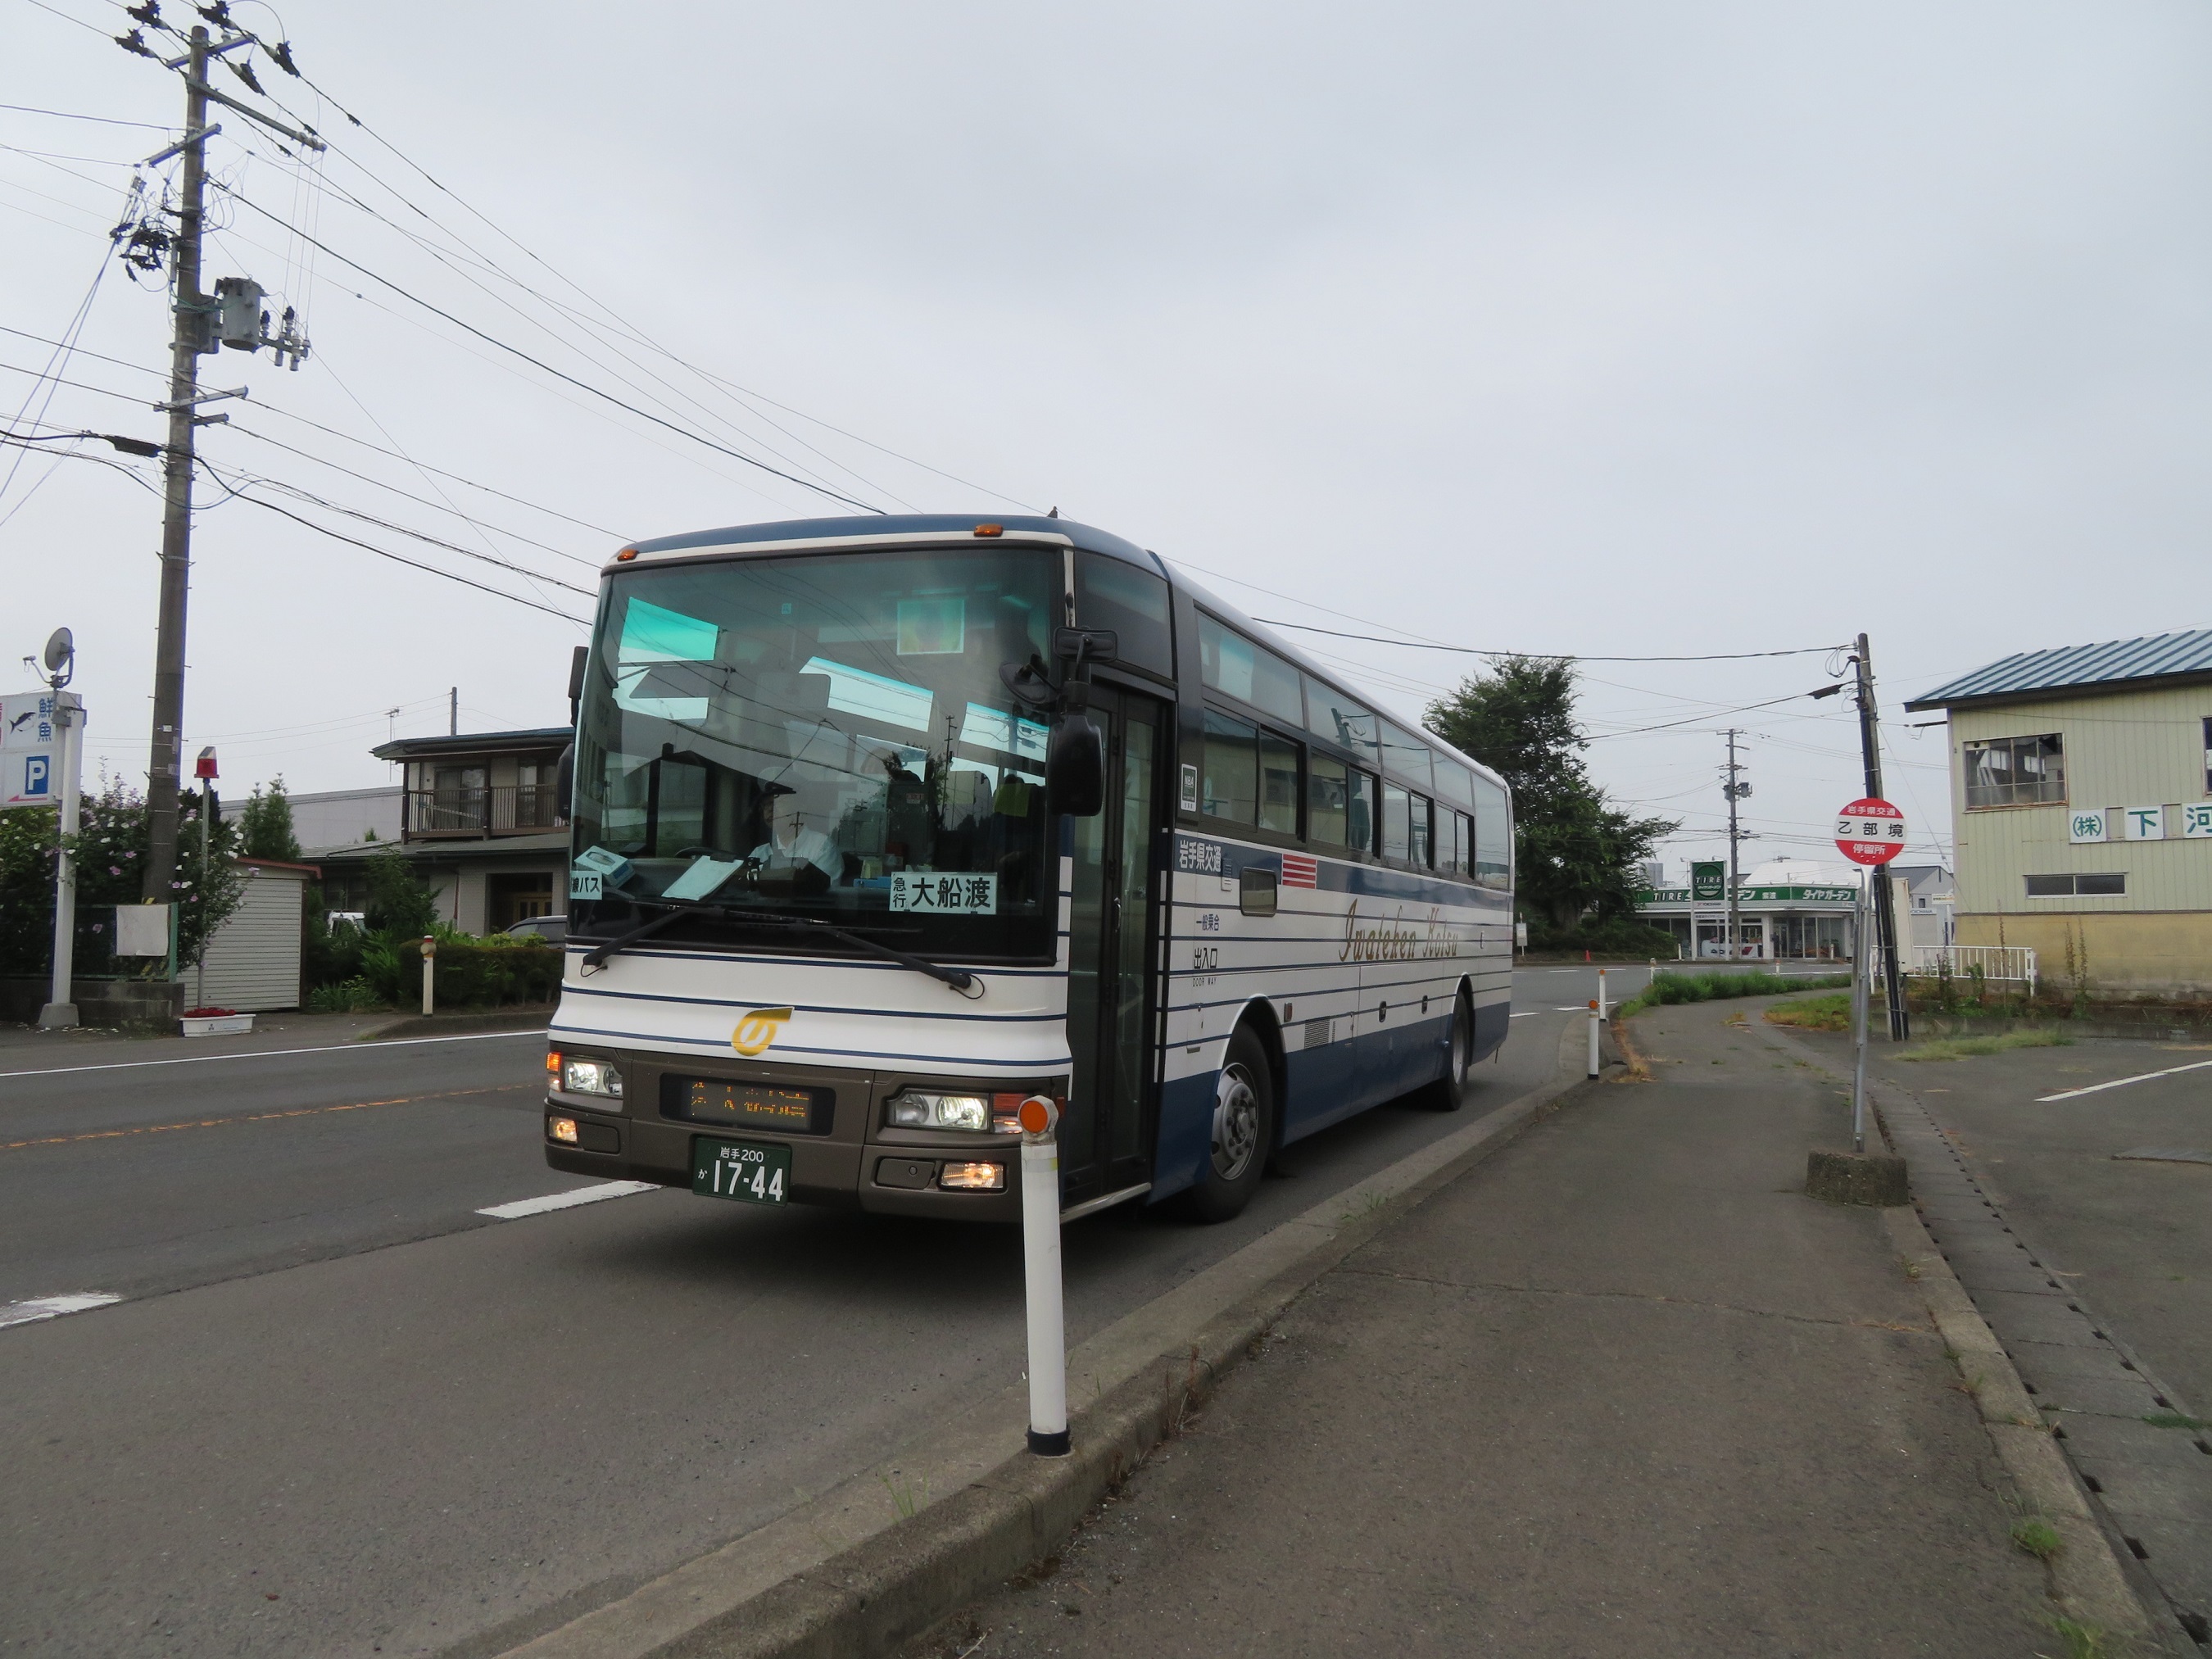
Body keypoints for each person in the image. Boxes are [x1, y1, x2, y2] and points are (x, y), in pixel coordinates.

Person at [749, 787, 842, 884]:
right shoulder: (760, 854)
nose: (770, 809)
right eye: (765, 805)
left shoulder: (822, 848)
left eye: (778, 802)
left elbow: (822, 895)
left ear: (799, 808)